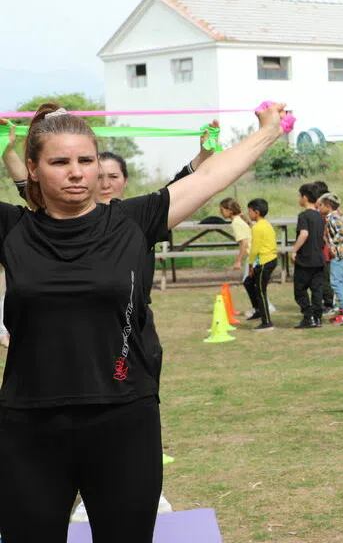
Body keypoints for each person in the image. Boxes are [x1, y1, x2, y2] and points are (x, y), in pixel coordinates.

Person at [0, 101, 286, 541]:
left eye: (86, 160)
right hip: (28, 425)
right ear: (33, 169)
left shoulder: (133, 221)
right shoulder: (12, 228)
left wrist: (268, 131)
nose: (76, 173)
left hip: (124, 419)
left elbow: (210, 177)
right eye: (59, 162)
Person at [290, 183, 327, 329]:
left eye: (300, 196)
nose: (299, 199)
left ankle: (308, 317)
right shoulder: (320, 216)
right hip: (319, 258)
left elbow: (304, 234)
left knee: (300, 290)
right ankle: (317, 318)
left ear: (305, 197)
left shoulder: (304, 215)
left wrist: (294, 250)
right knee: (317, 289)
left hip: (305, 259)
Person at [318, 192, 343, 325]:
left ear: (328, 207)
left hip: (339, 254)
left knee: (335, 282)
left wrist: (333, 245)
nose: (319, 208)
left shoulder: (332, 218)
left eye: (321, 205)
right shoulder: (335, 217)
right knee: (342, 281)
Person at [245, 198, 278, 330]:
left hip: (265, 261)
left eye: (250, 211)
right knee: (248, 282)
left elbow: (255, 249)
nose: (249, 214)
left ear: (256, 212)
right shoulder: (266, 224)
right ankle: (258, 310)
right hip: (270, 259)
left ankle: (267, 322)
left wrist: (251, 265)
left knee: (260, 291)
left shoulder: (257, 227)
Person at [311, 180, 336, 315]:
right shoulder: (322, 213)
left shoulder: (327, 215)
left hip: (326, 252)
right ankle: (322, 302)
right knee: (320, 278)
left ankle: (329, 303)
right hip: (320, 251)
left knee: (326, 279)